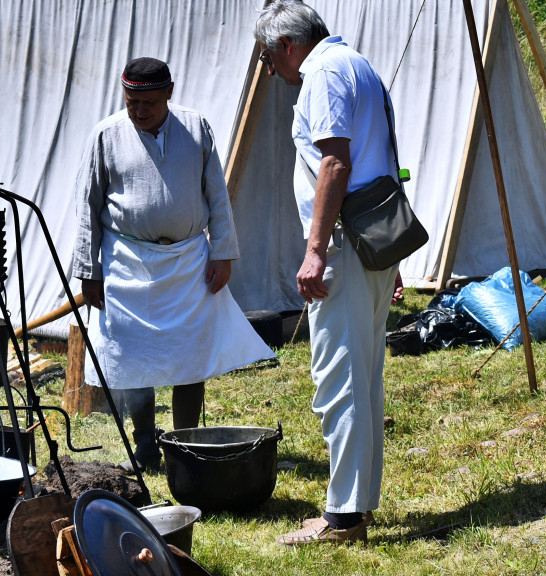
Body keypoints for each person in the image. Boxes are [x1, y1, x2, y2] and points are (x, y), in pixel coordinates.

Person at [72, 57, 274, 474]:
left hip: (187, 263)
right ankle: (145, 446)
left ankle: (186, 445)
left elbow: (216, 194)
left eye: (148, 102)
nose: (139, 110)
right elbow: (87, 206)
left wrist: (223, 252)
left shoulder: (195, 128)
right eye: (131, 101)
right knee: (133, 355)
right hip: (127, 263)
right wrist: (89, 270)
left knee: (190, 354)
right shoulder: (106, 135)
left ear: (169, 92)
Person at [255, 0, 404, 546]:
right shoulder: (359, 64)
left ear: (287, 46)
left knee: (340, 380)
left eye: (268, 58)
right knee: (363, 376)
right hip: (370, 243)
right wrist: (389, 252)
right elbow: (381, 158)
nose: (271, 70)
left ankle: (342, 516)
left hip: (346, 247)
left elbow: (336, 162)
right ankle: (356, 505)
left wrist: (315, 250)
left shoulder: (322, 74)